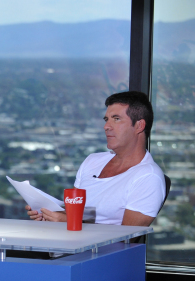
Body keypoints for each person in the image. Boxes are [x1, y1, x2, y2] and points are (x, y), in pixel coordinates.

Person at [27, 91, 165, 226]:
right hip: (68, 245)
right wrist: (49, 215)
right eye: (106, 120)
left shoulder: (149, 177)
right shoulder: (92, 161)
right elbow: (75, 214)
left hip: (101, 249)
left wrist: (68, 221)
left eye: (116, 119)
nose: (106, 127)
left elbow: (127, 238)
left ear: (139, 126)